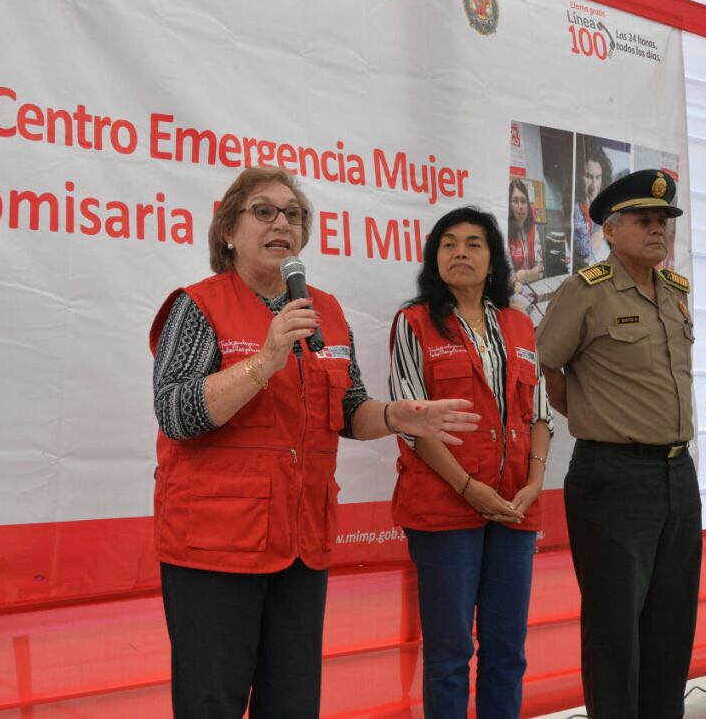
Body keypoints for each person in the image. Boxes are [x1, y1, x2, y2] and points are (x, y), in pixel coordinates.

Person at [149, 166, 480, 719]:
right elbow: (175, 413)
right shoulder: (197, 304)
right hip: (215, 547)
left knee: (294, 704)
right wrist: (266, 359)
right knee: (212, 704)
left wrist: (399, 415)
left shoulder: (325, 310)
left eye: (294, 214)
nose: (282, 222)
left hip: (302, 542)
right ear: (228, 230)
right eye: (264, 211)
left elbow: (348, 412)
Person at [535, 169, 699, 718]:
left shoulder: (674, 293)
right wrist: (590, 414)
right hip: (614, 476)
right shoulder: (586, 291)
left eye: (664, 222)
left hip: (678, 473)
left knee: (672, 623)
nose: (659, 231)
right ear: (611, 229)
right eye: (645, 221)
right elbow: (545, 368)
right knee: (614, 628)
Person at [388, 206, 553, 718]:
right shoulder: (413, 323)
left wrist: (535, 482)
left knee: (507, 652)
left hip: (515, 507)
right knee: (449, 655)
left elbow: (541, 413)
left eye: (474, 243)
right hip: (445, 509)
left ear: (494, 259)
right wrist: (467, 487)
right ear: (434, 257)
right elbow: (412, 424)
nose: (460, 252)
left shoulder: (520, 324)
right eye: (448, 243)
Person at [572, 142, 610, 270]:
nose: (594, 185)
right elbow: (585, 254)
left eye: (598, 177)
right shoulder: (576, 208)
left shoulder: (604, 206)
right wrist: (601, 231)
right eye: (589, 176)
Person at [507, 179, 544, 288]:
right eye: (515, 201)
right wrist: (515, 280)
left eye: (523, 201)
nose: (520, 206)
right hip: (513, 291)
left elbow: (541, 269)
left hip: (534, 286)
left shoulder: (533, 228)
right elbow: (507, 276)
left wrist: (524, 275)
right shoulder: (504, 231)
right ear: (509, 204)